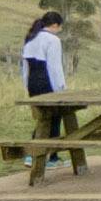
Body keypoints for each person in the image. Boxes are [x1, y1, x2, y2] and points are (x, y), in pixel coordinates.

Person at [20, 9, 66, 171]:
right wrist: (60, 88)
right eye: (60, 27)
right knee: (55, 117)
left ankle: (31, 155)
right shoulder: (52, 40)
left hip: (33, 83)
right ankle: (51, 157)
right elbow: (54, 68)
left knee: (42, 118)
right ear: (54, 25)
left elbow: (24, 68)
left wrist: (27, 86)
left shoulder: (30, 39)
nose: (59, 30)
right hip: (47, 82)